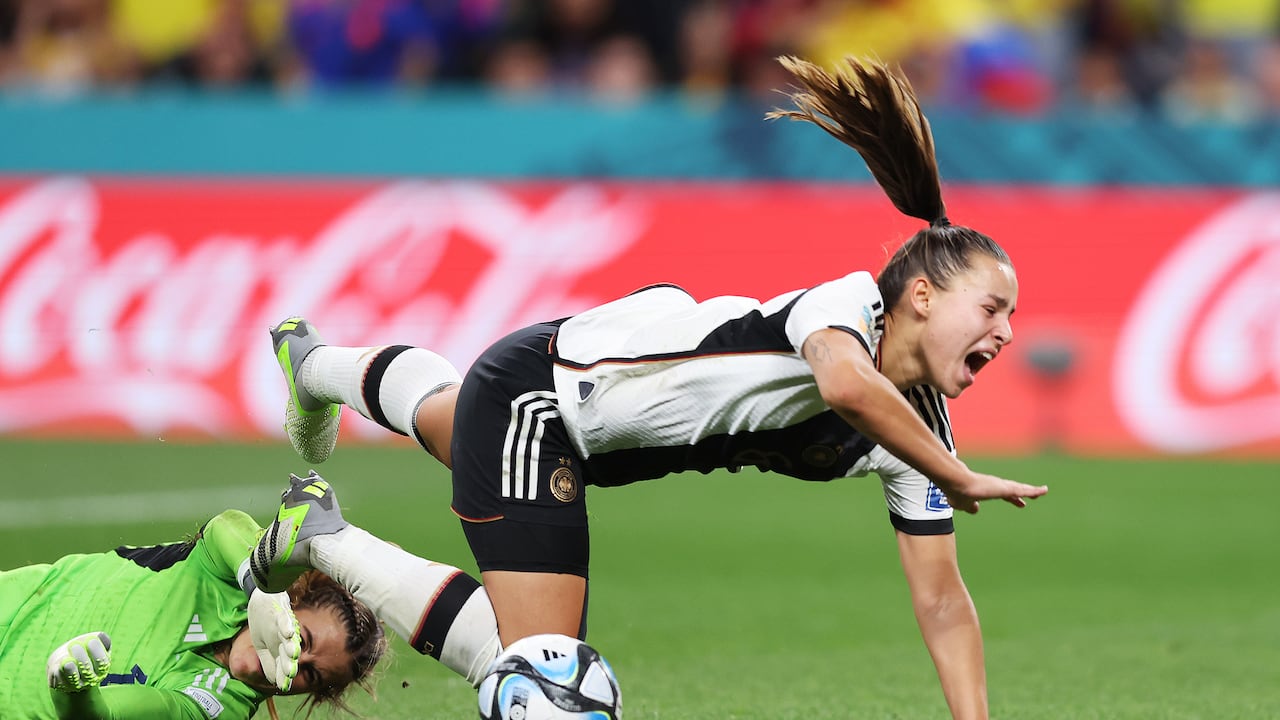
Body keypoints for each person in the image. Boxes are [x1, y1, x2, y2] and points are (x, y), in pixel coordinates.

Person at [252, 55, 1048, 719]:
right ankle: (320, 534)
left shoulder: (916, 432)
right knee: (544, 680)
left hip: (608, 411)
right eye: (992, 308)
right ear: (920, 298)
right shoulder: (845, 307)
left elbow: (944, 605)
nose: (1007, 332)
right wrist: (956, 471)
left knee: (447, 427)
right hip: (545, 407)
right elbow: (845, 387)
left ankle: (313, 371)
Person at [0, 474, 387, 720]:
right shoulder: (229, 579)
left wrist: (76, 692)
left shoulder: (223, 707)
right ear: (295, 601)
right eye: (303, 639)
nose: (294, 660)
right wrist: (261, 590)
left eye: (311, 675)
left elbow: (108, 714)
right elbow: (227, 526)